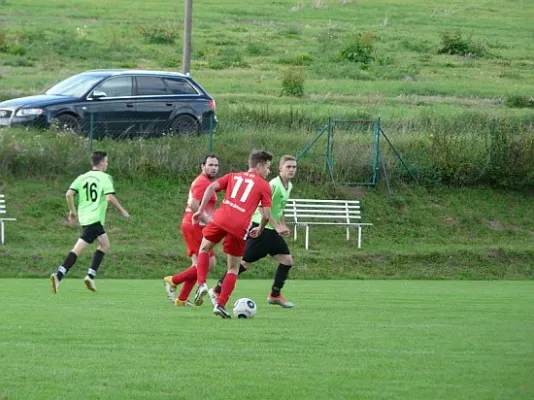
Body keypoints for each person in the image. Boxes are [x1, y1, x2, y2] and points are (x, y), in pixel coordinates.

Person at [192, 149, 273, 318]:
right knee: (234, 267)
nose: (268, 171)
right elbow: (266, 214)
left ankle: (201, 284)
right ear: (259, 166)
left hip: (220, 218)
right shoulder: (264, 186)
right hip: (240, 226)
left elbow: (212, 187)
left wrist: (200, 210)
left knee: (204, 248)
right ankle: (220, 304)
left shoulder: (232, 176)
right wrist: (260, 228)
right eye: (268, 167)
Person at [210, 155, 297, 308]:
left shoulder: (288, 186)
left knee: (287, 260)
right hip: (260, 228)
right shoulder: (272, 185)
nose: (291, 170)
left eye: (294, 167)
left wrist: (282, 225)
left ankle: (275, 295)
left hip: (272, 231)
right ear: (280, 168)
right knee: (243, 263)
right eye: (288, 167)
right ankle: (217, 290)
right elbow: (264, 209)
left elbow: (279, 209)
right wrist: (277, 226)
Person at [50, 151, 129, 293]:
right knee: (79, 248)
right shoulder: (105, 177)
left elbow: (69, 194)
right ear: (102, 163)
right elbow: (109, 197)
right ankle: (59, 275)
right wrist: (122, 210)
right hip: (95, 219)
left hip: (86, 219)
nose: (107, 164)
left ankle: (90, 276)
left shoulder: (82, 177)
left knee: (104, 244)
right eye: (106, 161)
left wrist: (73, 212)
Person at [163, 155, 220, 307]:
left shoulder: (208, 182)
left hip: (198, 225)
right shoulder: (202, 182)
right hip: (195, 225)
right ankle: (173, 280)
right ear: (203, 166)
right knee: (206, 264)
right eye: (210, 165)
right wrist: (210, 222)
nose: (213, 168)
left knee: (201, 265)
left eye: (216, 165)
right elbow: (195, 205)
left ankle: (182, 299)